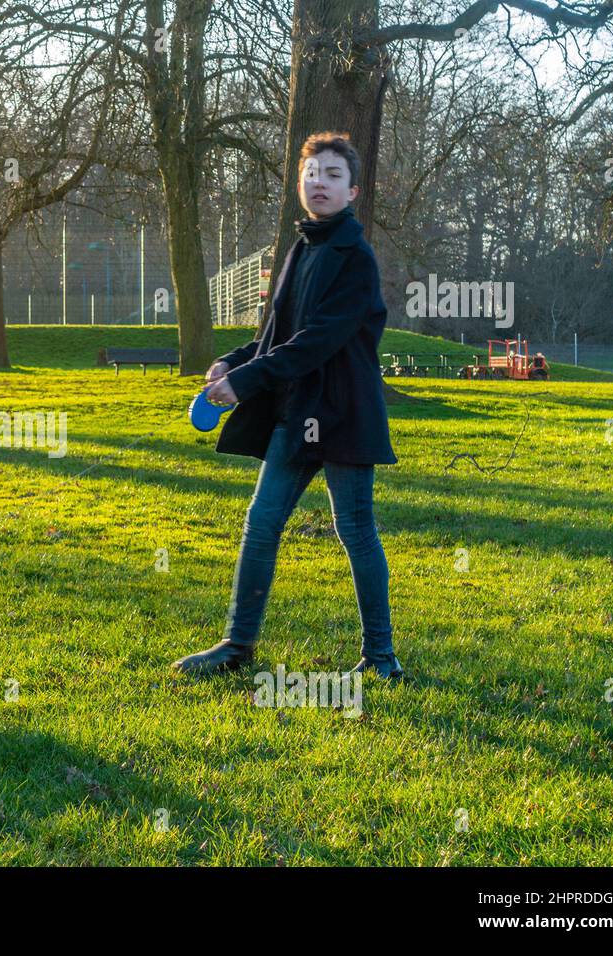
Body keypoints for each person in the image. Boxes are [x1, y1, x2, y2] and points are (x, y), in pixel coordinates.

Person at [172, 131, 403, 682]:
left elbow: (317, 342)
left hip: (343, 414)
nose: (318, 182)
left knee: (355, 528)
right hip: (296, 413)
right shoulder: (301, 248)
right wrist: (232, 362)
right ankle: (237, 645)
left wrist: (248, 382)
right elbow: (279, 334)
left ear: (353, 192)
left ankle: (381, 657)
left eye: (332, 175)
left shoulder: (356, 260)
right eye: (310, 173)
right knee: (262, 523)